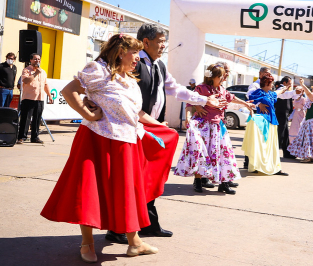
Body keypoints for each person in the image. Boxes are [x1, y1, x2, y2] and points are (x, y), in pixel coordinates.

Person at [41, 34, 165, 263]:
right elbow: (69, 91)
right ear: (119, 52)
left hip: (126, 141)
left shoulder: (128, 78)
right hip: (97, 139)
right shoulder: (98, 70)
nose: (137, 58)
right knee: (90, 190)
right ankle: (87, 243)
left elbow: (136, 113)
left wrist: (160, 126)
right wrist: (86, 113)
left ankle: (134, 243)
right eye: (134, 52)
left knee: (127, 192)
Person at [101, 23, 226, 243]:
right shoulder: (132, 62)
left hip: (152, 125)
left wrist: (203, 99)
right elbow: (107, 83)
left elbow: (174, 88)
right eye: (160, 41)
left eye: (163, 41)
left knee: (149, 178)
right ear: (146, 42)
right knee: (128, 179)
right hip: (131, 127)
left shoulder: (159, 65)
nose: (163, 45)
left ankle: (147, 224)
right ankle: (117, 228)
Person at [174, 64, 253, 194]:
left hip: (218, 127)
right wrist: (188, 117)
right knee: (200, 153)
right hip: (203, 126)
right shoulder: (202, 88)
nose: (223, 79)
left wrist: (245, 103)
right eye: (220, 76)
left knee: (224, 154)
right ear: (213, 77)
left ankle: (224, 183)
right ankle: (198, 181)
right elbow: (189, 102)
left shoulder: (222, 89)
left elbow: (232, 98)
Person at [242, 73, 289, 176]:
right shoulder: (258, 92)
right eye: (271, 83)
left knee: (272, 146)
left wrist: (285, 89)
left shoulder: (270, 93)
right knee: (261, 145)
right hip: (262, 123)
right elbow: (248, 100)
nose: (272, 85)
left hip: (272, 122)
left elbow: (278, 92)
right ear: (267, 83)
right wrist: (259, 104)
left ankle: (275, 168)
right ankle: (257, 166)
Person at [17, 54, 53, 144]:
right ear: (31, 60)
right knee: (25, 119)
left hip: (40, 99)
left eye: (39, 59)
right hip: (28, 98)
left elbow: (45, 84)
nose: (37, 61)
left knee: (37, 119)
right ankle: (22, 137)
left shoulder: (43, 72)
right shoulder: (26, 70)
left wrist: (50, 95)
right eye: (35, 59)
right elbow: (25, 81)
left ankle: (35, 137)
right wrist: (36, 73)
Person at [288, 79, 313, 163]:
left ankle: (308, 156)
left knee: (308, 139)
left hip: (312, 121)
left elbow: (308, 93)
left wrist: (302, 84)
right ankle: (312, 156)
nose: (311, 91)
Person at [275, 76, 301, 159]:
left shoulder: (288, 91)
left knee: (285, 134)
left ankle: (287, 152)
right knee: (280, 134)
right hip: (280, 114)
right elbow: (285, 96)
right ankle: (274, 152)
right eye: (289, 83)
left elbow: (293, 97)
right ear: (284, 83)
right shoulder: (280, 89)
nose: (290, 85)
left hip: (285, 114)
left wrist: (298, 93)